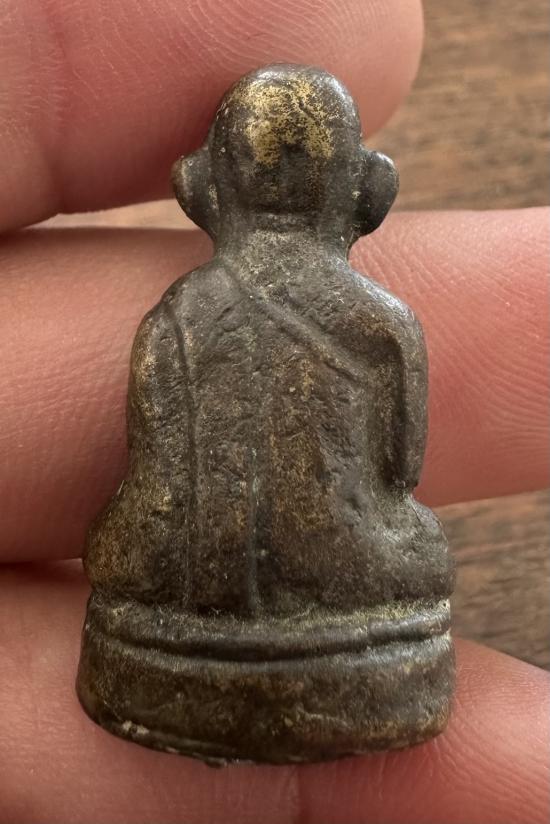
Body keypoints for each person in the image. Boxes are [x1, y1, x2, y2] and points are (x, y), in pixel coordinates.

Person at [0, 0, 547, 821]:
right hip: (348, 581)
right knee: (417, 544)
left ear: (200, 189)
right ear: (368, 189)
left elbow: (158, 473)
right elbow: (398, 472)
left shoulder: (179, 316)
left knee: (123, 540)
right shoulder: (381, 325)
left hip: (189, 596)